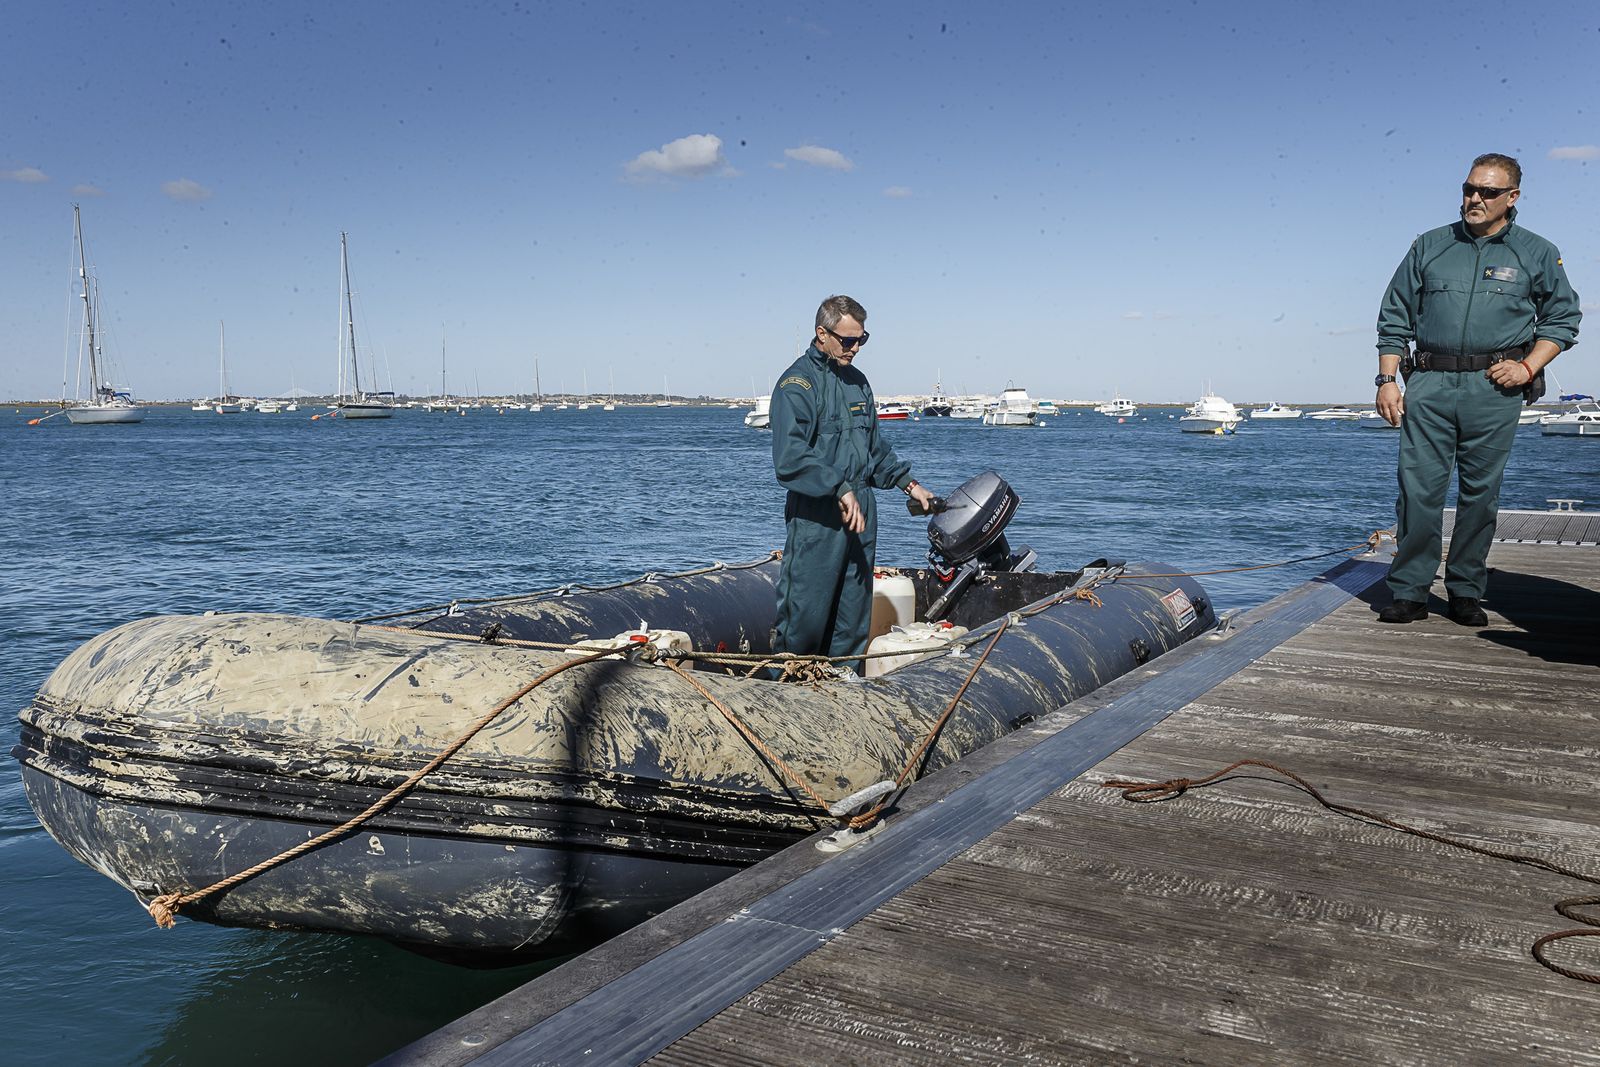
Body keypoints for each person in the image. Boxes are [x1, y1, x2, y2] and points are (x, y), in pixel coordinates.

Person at [1374, 153, 1581, 625]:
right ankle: (1410, 591)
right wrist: (1388, 380)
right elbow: (1393, 318)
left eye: (1488, 192)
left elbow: (1563, 319)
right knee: (1418, 490)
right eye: (1469, 189)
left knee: (1480, 494)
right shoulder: (1429, 245)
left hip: (1494, 389)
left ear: (1512, 198)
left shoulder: (1537, 252)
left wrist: (1528, 367)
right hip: (1428, 382)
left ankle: (1466, 590)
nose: (1475, 199)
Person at [770, 295, 937, 668]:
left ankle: (842, 691)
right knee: (805, 617)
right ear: (821, 334)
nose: (855, 348)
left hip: (862, 514)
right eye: (848, 340)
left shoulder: (858, 383)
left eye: (862, 339)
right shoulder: (797, 385)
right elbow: (790, 458)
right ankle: (783, 689)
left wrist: (910, 485)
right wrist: (838, 488)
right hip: (818, 516)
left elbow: (874, 450)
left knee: (852, 617)